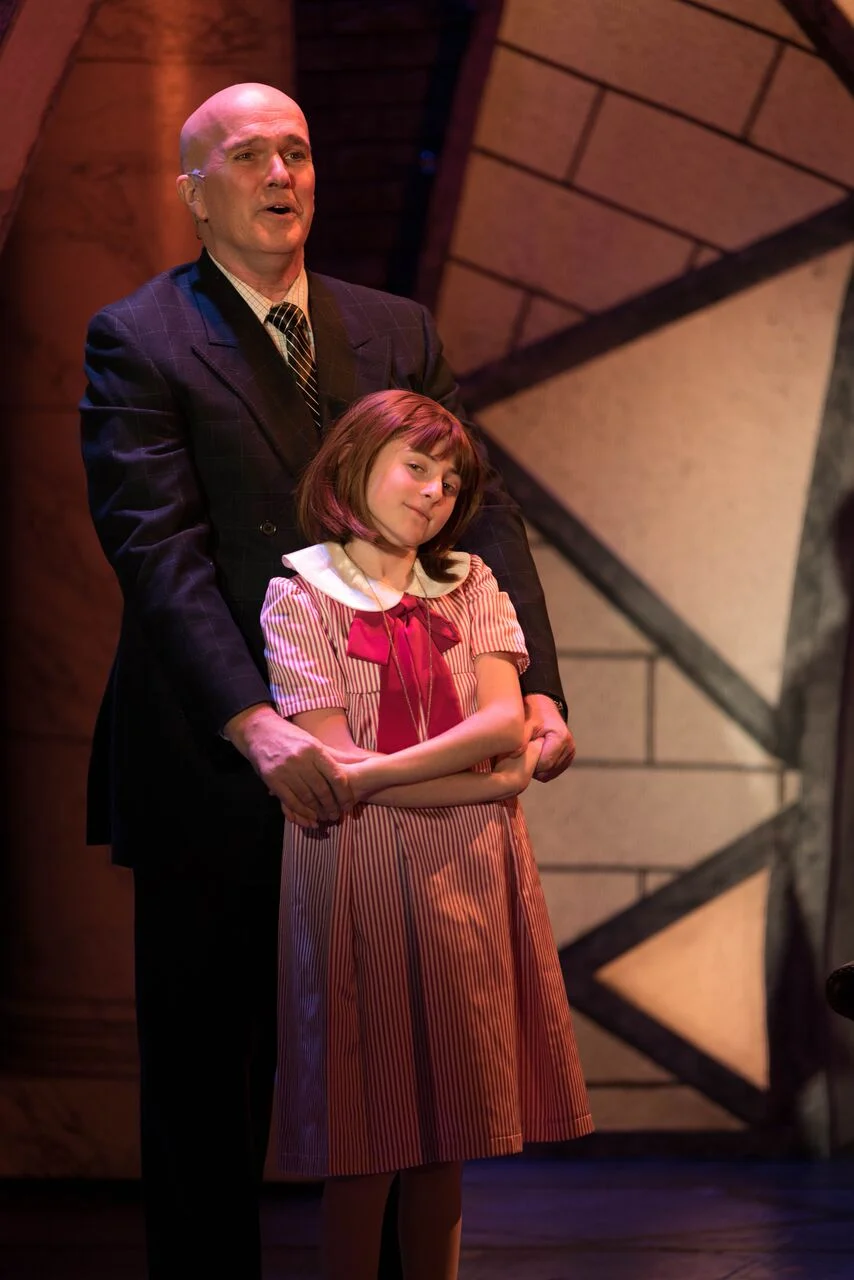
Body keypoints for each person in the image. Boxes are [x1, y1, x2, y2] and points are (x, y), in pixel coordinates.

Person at [79, 81, 575, 1280]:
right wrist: (255, 727)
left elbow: (481, 513)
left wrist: (539, 687)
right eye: (246, 155)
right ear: (194, 191)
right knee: (210, 1082)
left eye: (296, 150)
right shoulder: (139, 337)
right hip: (224, 763)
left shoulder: (392, 328)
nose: (280, 173)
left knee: (404, 1074)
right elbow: (160, 552)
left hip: (398, 768)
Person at [261, 388, 592, 1280]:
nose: (433, 492)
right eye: (416, 466)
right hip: (358, 869)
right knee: (365, 1133)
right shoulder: (300, 594)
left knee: (448, 1129)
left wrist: (378, 776)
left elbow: (499, 727)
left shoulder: (471, 581)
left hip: (470, 873)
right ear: (354, 465)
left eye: (449, 481)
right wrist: (454, 782)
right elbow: (333, 762)